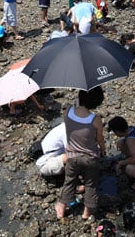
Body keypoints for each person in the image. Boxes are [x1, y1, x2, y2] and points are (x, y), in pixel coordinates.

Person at [55, 87, 106, 221]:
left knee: (69, 181)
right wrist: (103, 149)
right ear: (97, 102)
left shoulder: (69, 111)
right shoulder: (95, 119)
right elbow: (100, 139)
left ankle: (61, 207)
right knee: (91, 184)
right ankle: (87, 211)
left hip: (72, 156)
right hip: (90, 158)